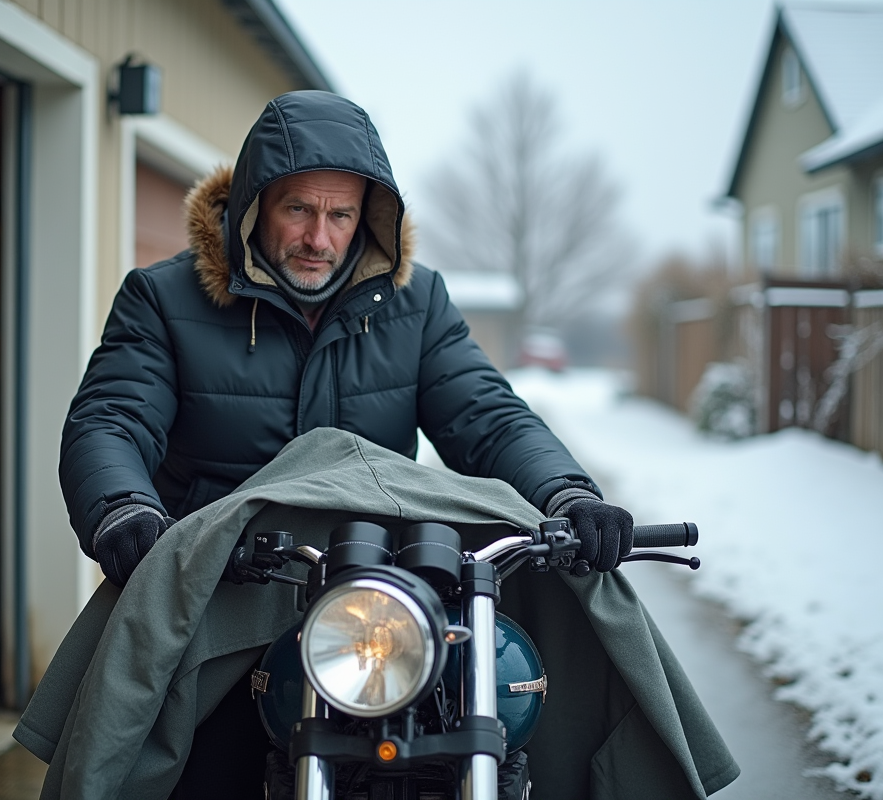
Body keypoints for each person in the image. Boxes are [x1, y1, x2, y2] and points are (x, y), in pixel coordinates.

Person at [58, 90, 634, 796]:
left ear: (371, 218)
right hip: (227, 591)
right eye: (297, 209)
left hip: (380, 603)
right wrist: (123, 508)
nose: (319, 238)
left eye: (341, 214)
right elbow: (111, 418)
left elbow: (488, 415)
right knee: (183, 768)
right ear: (253, 206)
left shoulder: (416, 304)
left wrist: (566, 491)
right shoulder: (162, 298)